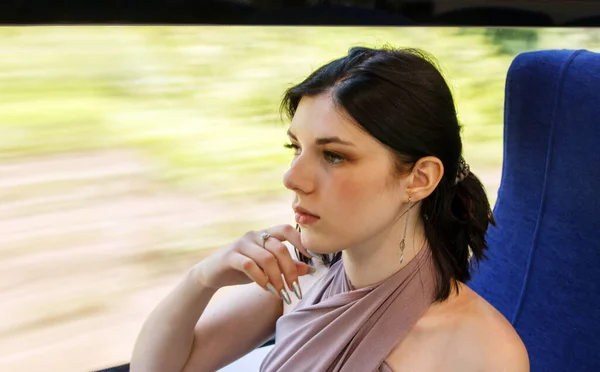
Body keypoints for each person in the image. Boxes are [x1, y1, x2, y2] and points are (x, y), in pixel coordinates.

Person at [130, 46, 529, 372]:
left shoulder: (482, 353)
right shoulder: (302, 282)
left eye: (334, 156)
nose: (292, 177)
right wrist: (203, 278)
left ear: (419, 179)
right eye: (295, 148)